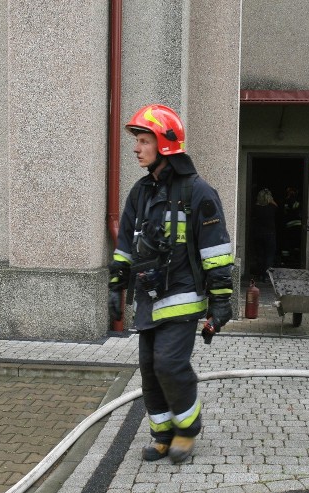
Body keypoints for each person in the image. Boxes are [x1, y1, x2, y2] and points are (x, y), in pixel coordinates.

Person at [107, 104, 234, 463]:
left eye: (144, 140)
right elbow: (125, 246)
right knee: (149, 369)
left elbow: (217, 251)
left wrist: (221, 301)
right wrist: (116, 289)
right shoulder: (140, 192)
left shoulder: (198, 192)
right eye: (137, 141)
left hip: (182, 297)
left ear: (164, 144)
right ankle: (162, 432)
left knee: (168, 364)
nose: (136, 148)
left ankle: (187, 429)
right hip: (148, 297)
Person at [252, 188, 278, 281]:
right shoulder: (272, 207)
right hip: (270, 234)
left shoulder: (255, 208)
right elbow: (277, 206)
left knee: (260, 255)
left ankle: (260, 274)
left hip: (258, 234)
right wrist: (270, 200)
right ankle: (267, 276)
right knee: (269, 255)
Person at [281, 186, 303, 267]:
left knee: (294, 244)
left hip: (294, 225)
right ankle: (288, 260)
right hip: (293, 225)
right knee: (291, 244)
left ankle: (292, 260)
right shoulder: (290, 200)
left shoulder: (291, 199)